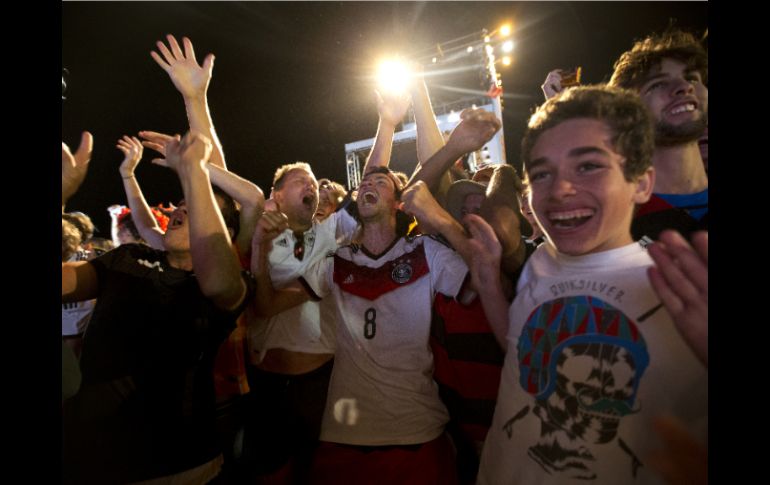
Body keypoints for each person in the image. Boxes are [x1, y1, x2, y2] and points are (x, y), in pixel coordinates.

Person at [472, 85, 707, 484]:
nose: (560, 189)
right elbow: (521, 350)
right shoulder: (542, 262)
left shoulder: (681, 288)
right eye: (542, 173)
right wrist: (489, 283)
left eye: (588, 166)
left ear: (642, 183)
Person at [62, 132, 252, 484]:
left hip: (180, 470)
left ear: (224, 232)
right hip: (91, 463)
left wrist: (195, 169)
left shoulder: (228, 285)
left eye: (193, 206)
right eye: (182, 204)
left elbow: (220, 284)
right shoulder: (129, 257)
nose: (181, 208)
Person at [608, 30, 708, 242]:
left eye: (691, 77)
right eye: (659, 84)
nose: (685, 87)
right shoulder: (613, 227)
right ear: (628, 114)